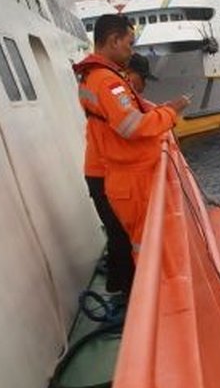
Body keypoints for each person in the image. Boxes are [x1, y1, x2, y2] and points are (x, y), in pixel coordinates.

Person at [73, 14, 189, 267]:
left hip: (123, 176)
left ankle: (142, 293)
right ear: (114, 41)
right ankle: (148, 299)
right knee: (144, 246)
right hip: (129, 180)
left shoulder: (99, 76)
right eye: (129, 43)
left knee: (137, 244)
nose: (131, 51)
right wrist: (171, 112)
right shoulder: (106, 81)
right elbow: (131, 126)